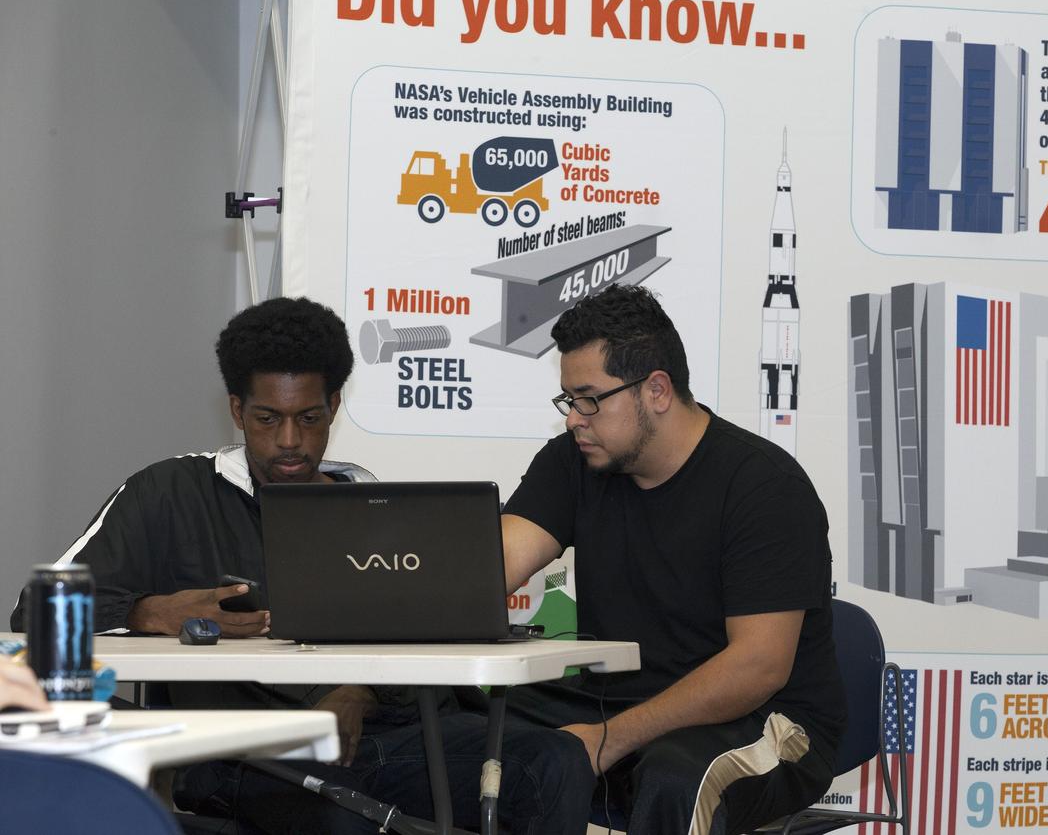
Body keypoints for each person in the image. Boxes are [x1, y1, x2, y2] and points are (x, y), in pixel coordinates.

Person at [9, 296, 590, 835]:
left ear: (334, 405)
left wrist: (357, 693)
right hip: (249, 755)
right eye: (268, 419)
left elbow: (415, 637)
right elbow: (34, 615)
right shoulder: (169, 492)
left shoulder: (367, 500)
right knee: (345, 819)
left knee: (553, 761)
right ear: (236, 410)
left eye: (309, 418)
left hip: (383, 739)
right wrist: (152, 612)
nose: (290, 441)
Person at [500, 284, 846, 833]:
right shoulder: (575, 461)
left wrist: (611, 738)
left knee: (676, 778)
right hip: (618, 702)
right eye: (568, 401)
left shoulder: (763, 486)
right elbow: (498, 562)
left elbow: (757, 668)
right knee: (451, 717)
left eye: (589, 399)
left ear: (656, 390)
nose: (574, 419)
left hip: (766, 721)